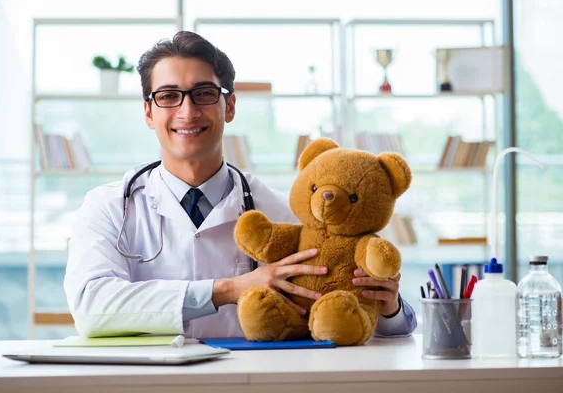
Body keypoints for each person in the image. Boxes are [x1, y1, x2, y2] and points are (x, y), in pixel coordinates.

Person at [63, 31, 417, 339]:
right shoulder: (109, 207)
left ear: (229, 105)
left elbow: (370, 321)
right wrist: (229, 289)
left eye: (203, 93)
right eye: (169, 96)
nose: (187, 112)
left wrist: (388, 309)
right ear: (148, 112)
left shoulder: (284, 212)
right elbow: (91, 308)